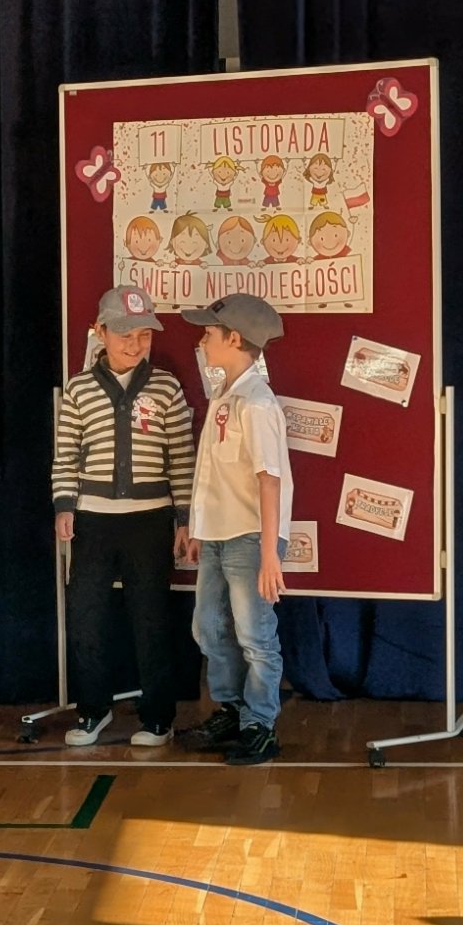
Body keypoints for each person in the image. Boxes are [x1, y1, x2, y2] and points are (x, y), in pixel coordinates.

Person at [52, 287, 195, 747]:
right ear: (100, 333)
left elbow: (182, 457)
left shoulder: (166, 387)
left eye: (143, 336)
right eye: (124, 335)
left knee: (150, 619)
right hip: (93, 520)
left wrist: (184, 517)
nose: (134, 345)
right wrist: (64, 505)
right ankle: (93, 710)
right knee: (87, 618)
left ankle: (158, 717)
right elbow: (65, 454)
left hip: (149, 521)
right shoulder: (79, 388)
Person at [176, 294, 291, 768]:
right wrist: (199, 527)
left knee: (254, 633)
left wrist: (270, 552)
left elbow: (270, 479)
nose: (202, 340)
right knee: (208, 626)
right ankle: (233, 709)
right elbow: (212, 473)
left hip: (250, 535)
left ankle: (260, 723)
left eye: (209, 333)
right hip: (219, 534)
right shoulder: (226, 394)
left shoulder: (258, 404)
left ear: (235, 339)